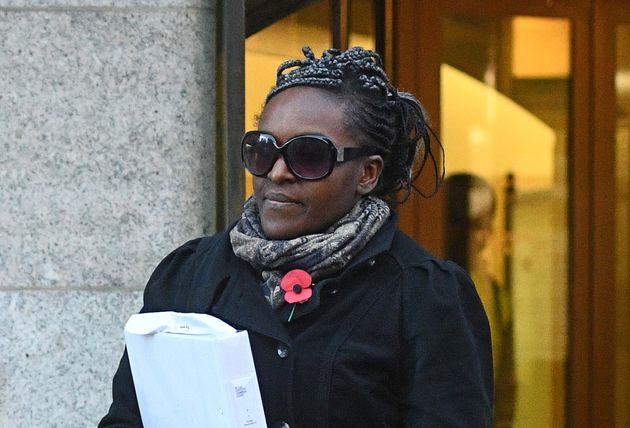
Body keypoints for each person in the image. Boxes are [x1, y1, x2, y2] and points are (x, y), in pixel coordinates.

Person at [99, 46, 493, 427]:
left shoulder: (423, 294)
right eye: (263, 150)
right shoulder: (191, 275)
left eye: (308, 155)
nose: (277, 172)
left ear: (367, 173)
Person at [442, 173, 516, 427]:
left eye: (485, 226)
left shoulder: (496, 294)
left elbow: (506, 381)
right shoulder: (423, 284)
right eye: (474, 226)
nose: (481, 237)